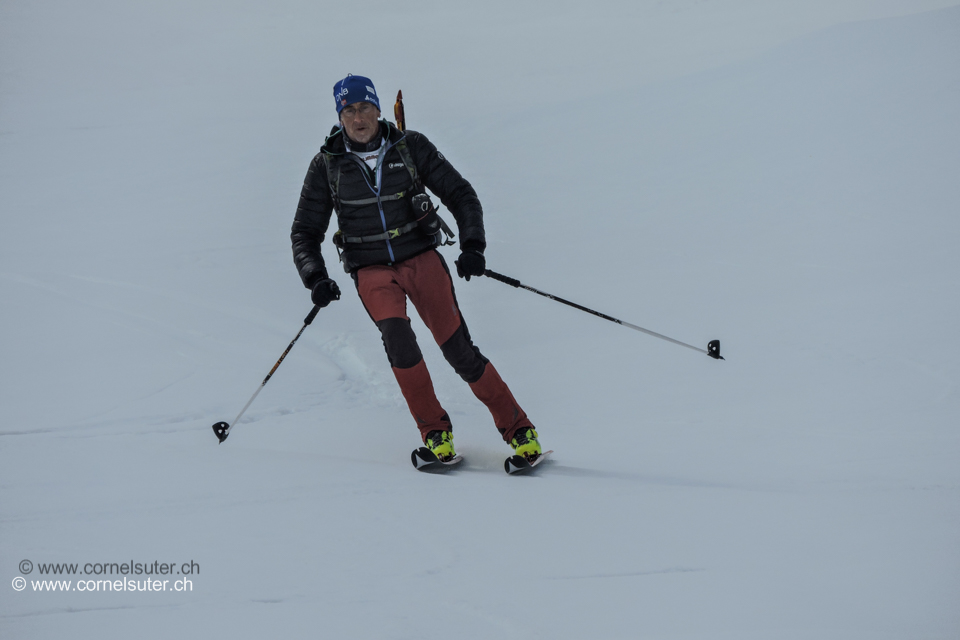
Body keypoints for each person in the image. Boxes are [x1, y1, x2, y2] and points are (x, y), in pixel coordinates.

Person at [291, 74, 541, 462]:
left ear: (377, 108)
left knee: (458, 350)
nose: (359, 118)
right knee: (399, 341)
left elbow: (461, 193)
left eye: (365, 108)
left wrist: (473, 245)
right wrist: (316, 278)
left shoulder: (410, 147)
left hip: (421, 259)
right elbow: (305, 232)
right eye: (349, 110)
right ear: (340, 117)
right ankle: (435, 434)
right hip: (372, 270)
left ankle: (519, 429)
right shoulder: (327, 166)